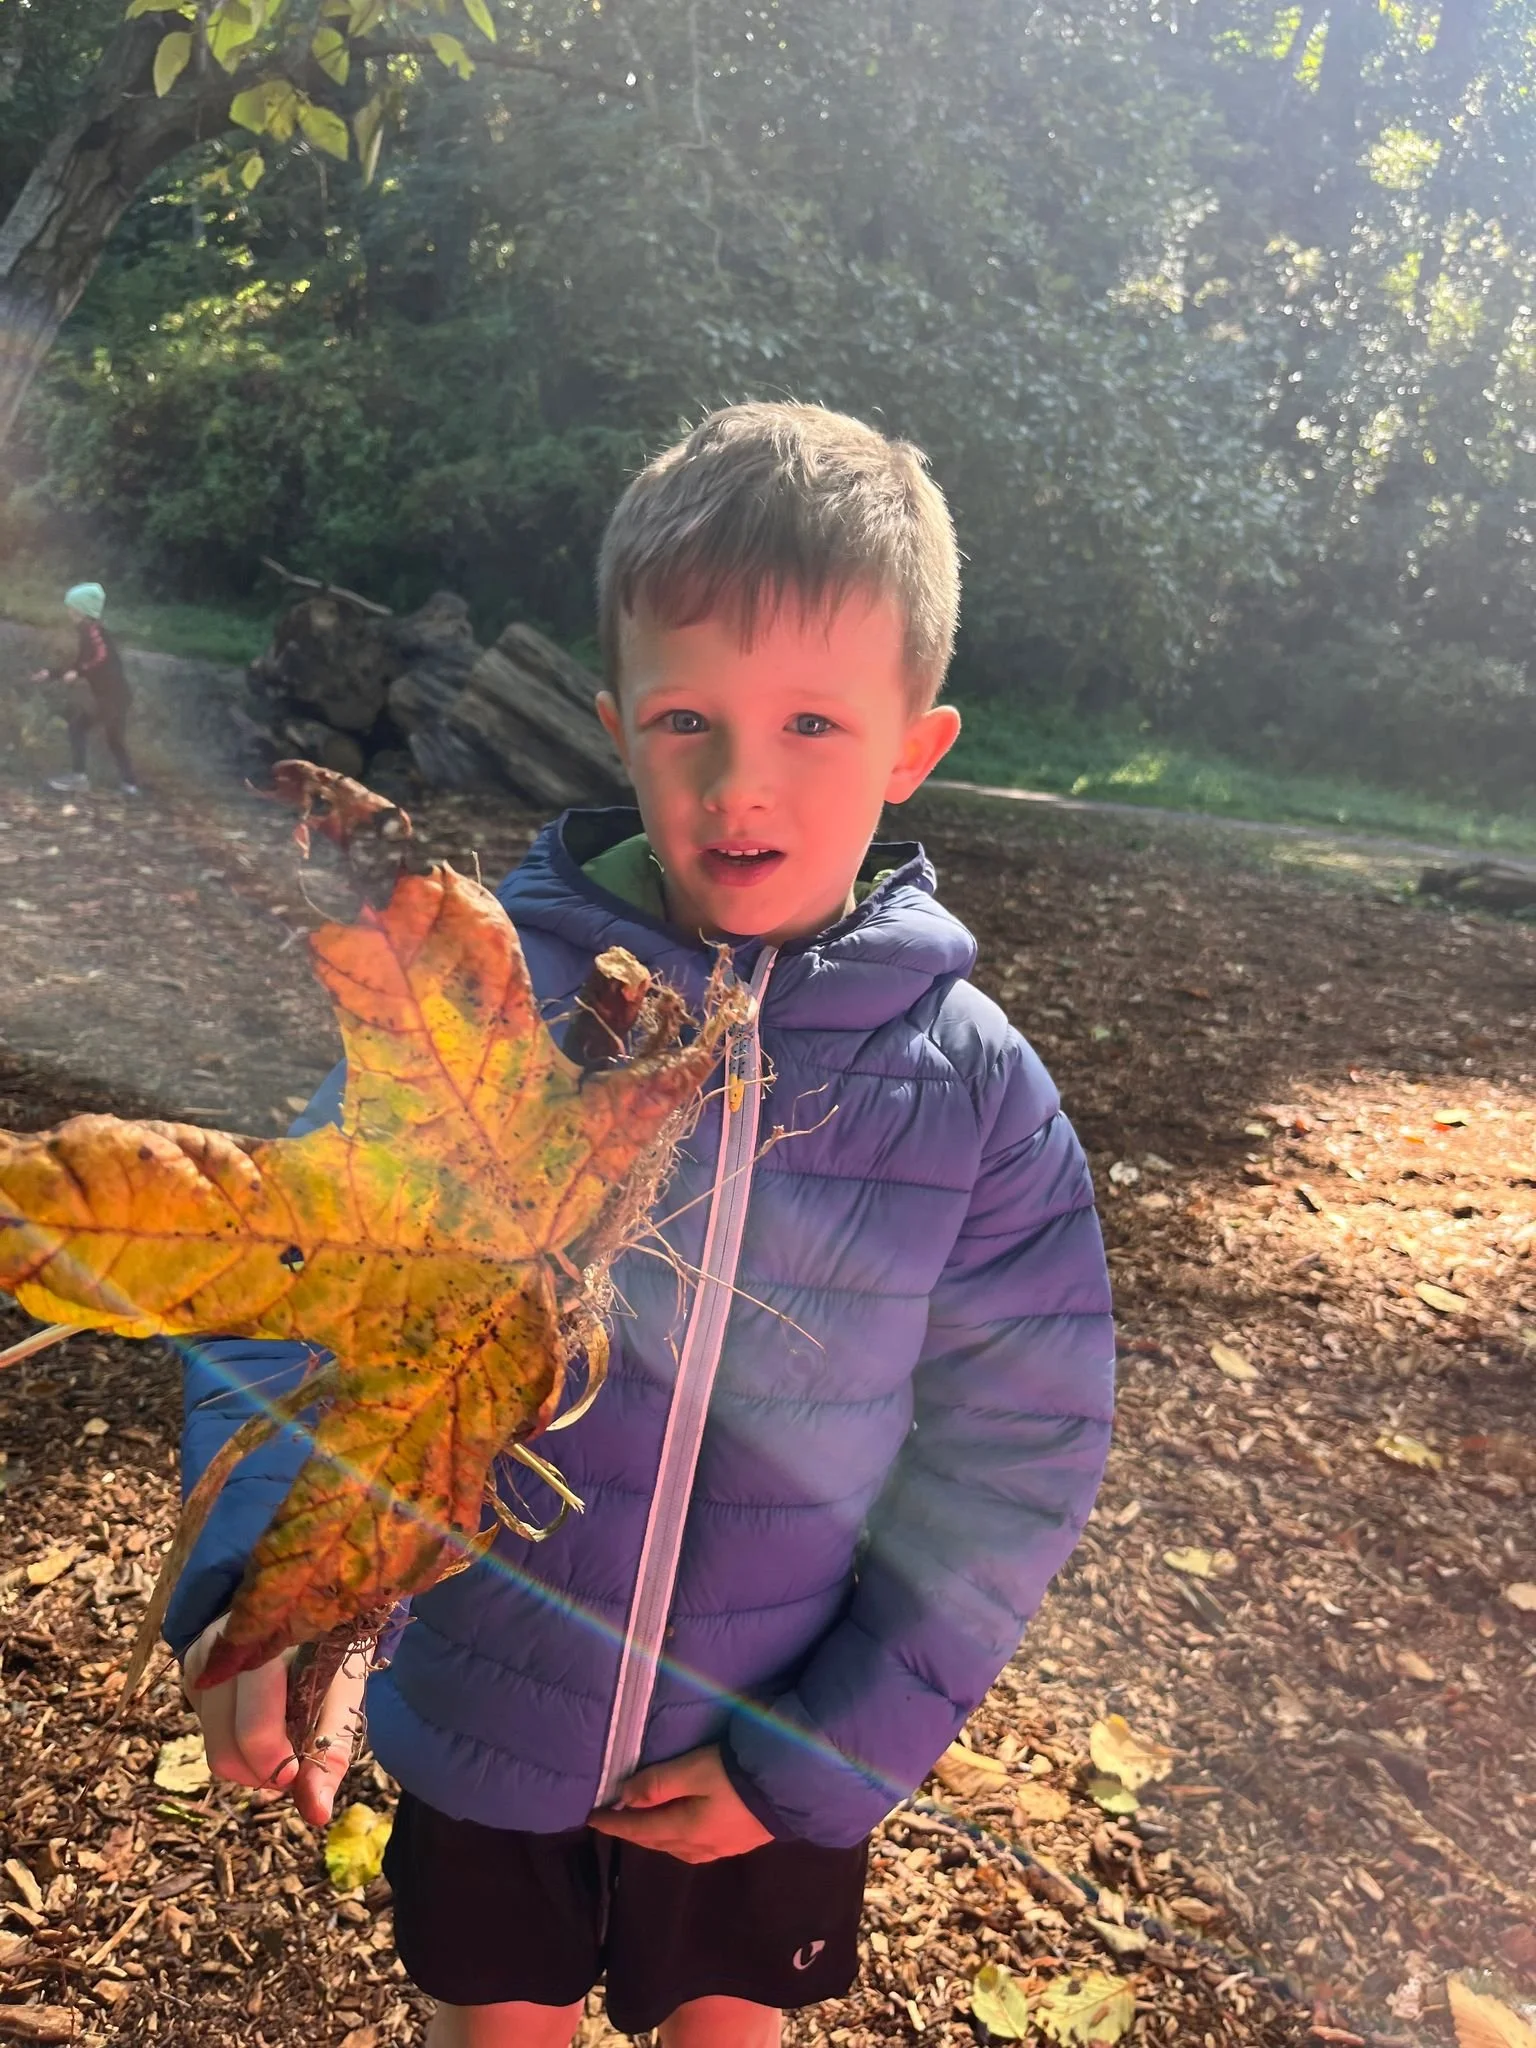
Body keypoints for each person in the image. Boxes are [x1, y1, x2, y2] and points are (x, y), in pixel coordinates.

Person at [164, 404, 1115, 2048]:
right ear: (617, 727)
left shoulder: (971, 1095)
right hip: (486, 1709)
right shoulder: (493, 1012)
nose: (740, 784)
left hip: (763, 1733)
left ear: (912, 747)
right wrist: (268, 1579)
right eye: (687, 719)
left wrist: (817, 1756)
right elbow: (302, 1272)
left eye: (812, 722)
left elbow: (1020, 1450)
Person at [26, 581, 139, 795]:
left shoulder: (93, 632)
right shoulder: (89, 631)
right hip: (114, 697)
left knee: (85, 729)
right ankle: (129, 785)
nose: (69, 611)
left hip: (112, 697)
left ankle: (84, 779)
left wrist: (79, 671)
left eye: (71, 607)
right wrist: (51, 673)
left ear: (81, 610)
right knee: (110, 737)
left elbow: (100, 657)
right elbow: (82, 661)